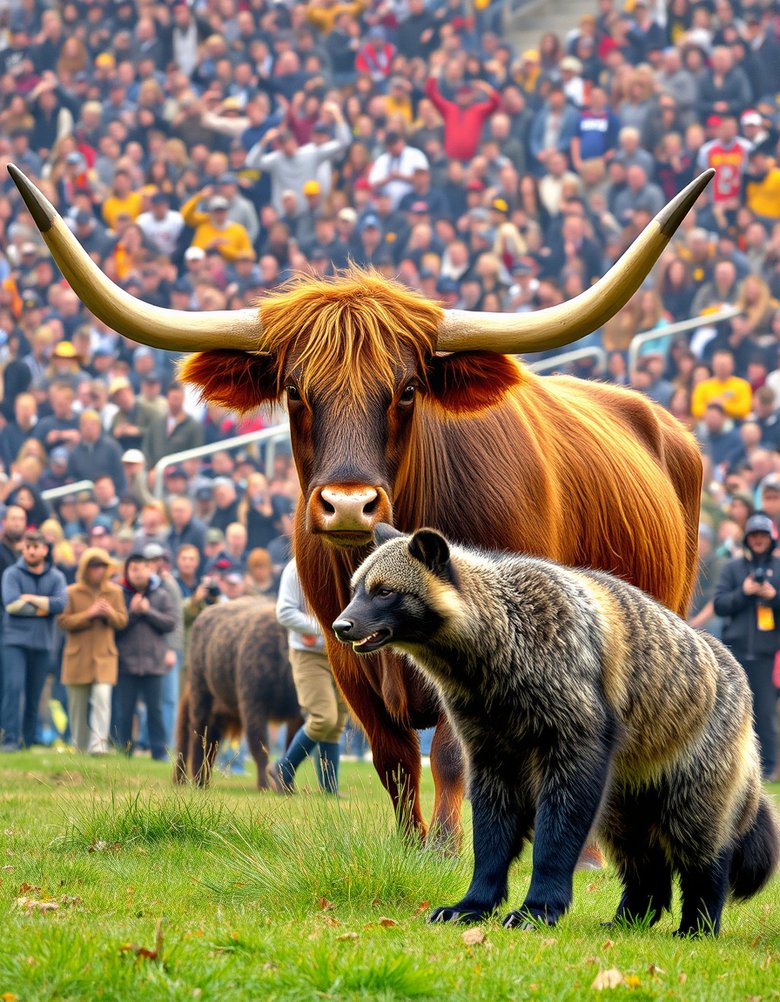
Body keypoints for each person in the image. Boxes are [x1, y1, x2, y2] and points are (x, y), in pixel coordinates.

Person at [269, 559, 347, 794]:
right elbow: (284, 612)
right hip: (308, 655)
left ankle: (329, 789)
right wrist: (325, 627)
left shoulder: (344, 563)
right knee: (323, 718)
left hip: (340, 654)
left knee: (336, 723)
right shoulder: (296, 568)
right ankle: (284, 768)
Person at [714, 511, 780, 780]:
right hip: (736, 652)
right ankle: (735, 769)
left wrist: (774, 597)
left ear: (770, 539)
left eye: (763, 535)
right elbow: (720, 604)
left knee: (764, 713)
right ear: (747, 539)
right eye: (753, 535)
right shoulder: (733, 567)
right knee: (735, 711)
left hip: (766, 654)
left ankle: (767, 769)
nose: (758, 540)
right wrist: (745, 592)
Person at [0, 529, 67, 750]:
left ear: (45, 549)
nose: (31, 551)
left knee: (34, 694)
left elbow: (60, 605)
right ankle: (9, 740)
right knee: (13, 688)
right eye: (28, 547)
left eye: (36, 547)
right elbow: (11, 605)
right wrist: (44, 607)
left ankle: (27, 742)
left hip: (43, 644)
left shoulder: (56, 576)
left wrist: (31, 599)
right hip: (14, 642)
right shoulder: (12, 573)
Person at [58, 547, 127, 754]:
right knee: (77, 704)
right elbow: (63, 621)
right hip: (78, 656)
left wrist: (109, 613)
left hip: (105, 656)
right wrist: (89, 614)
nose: (99, 570)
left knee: (102, 698)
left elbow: (122, 620)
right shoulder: (71, 592)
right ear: (85, 568)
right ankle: (79, 747)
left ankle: (98, 745)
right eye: (95, 566)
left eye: (103, 566)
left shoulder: (115, 592)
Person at [114, 552, 176, 760]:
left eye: (142, 568)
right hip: (126, 663)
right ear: (127, 572)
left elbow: (170, 623)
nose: (138, 573)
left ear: (150, 570)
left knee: (155, 711)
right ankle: (124, 750)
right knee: (125, 711)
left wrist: (148, 611)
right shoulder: (120, 595)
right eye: (133, 569)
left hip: (153, 663)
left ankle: (159, 752)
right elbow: (115, 627)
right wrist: (132, 612)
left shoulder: (161, 595)